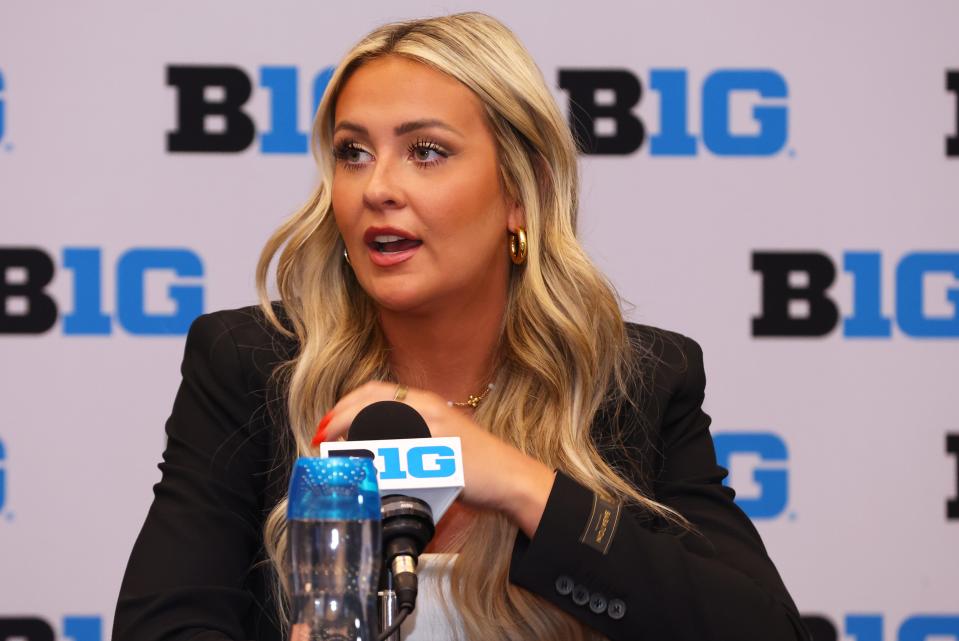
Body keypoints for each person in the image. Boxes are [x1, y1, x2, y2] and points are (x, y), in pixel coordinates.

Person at [114, 12, 808, 641]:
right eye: (353, 152)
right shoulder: (249, 364)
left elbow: (761, 628)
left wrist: (518, 482)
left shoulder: (635, 382)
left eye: (425, 151)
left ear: (519, 189)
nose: (377, 187)